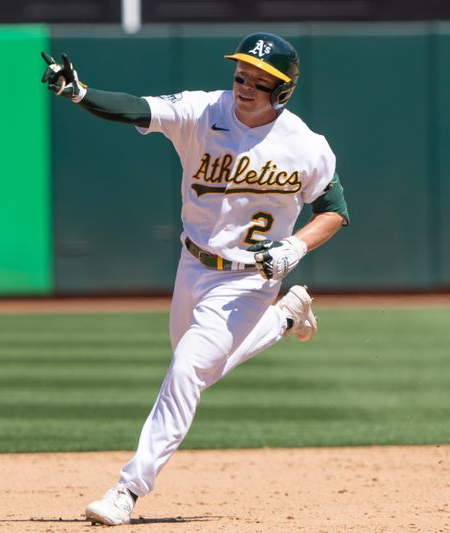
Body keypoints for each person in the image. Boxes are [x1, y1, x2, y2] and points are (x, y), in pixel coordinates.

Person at [41, 32, 349, 526]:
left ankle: (128, 490)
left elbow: (334, 212)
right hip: (192, 268)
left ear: (283, 89)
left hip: (249, 281)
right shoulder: (202, 111)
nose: (245, 85)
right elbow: (136, 109)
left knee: (187, 371)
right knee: (195, 373)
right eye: (241, 75)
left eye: (259, 80)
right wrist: (79, 92)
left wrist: (294, 246)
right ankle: (285, 320)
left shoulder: (306, 146)